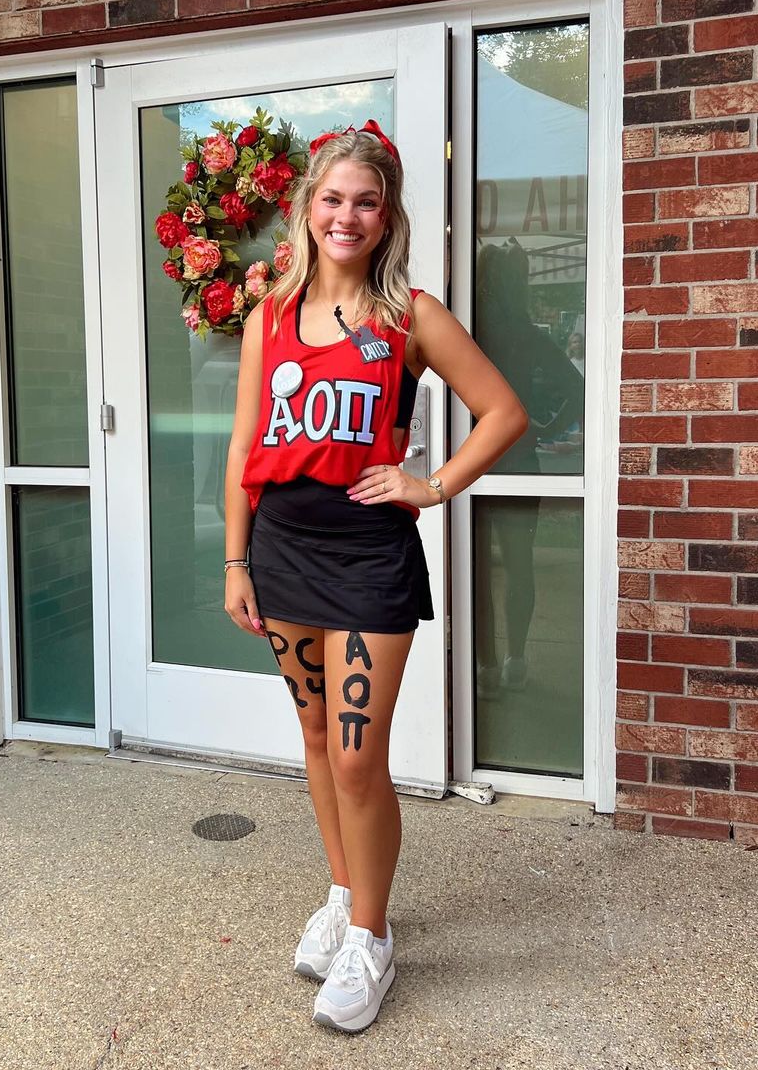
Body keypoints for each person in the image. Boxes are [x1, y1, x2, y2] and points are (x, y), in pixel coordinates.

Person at [222, 123, 528, 1033]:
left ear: (386, 216)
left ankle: (372, 937)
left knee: (359, 755)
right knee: (317, 739)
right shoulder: (269, 317)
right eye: (332, 198)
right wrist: (236, 559)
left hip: (368, 557)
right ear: (306, 207)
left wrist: (432, 484)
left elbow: (503, 412)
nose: (346, 216)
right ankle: (342, 892)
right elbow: (244, 447)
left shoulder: (411, 316)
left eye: (365, 201)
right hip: (281, 548)